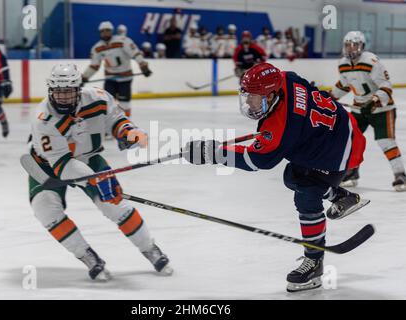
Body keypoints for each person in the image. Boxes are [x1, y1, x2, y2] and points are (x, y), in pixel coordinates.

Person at [182, 62, 367, 292]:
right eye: (247, 95)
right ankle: (341, 196)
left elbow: (256, 160)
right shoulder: (285, 78)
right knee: (292, 177)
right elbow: (307, 88)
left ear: (271, 95)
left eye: (255, 97)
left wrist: (213, 153)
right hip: (336, 127)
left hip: (339, 149)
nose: (249, 102)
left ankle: (314, 260)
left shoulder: (282, 126)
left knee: (307, 194)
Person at [28, 63, 173, 280]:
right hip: (47, 164)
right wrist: (95, 180)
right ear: (51, 90)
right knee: (45, 209)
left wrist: (129, 132)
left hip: (89, 158)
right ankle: (88, 257)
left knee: (116, 206)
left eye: (68, 92)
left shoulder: (98, 97)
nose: (63, 98)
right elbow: (63, 165)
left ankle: (150, 249)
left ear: (78, 89)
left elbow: (117, 120)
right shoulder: (44, 119)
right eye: (59, 92)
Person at [330, 31, 406, 191]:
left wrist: (374, 100)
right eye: (348, 45)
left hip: (382, 109)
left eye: (355, 45)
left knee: (386, 142)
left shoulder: (371, 61)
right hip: (359, 108)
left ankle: (400, 175)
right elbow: (344, 84)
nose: (351, 49)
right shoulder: (342, 63)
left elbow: (386, 86)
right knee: (350, 140)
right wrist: (328, 97)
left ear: (362, 46)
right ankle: (351, 173)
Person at [82, 21, 151, 117]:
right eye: (102, 31)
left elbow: (135, 53)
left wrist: (143, 66)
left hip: (125, 78)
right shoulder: (97, 48)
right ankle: (111, 124)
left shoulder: (123, 41)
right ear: (99, 32)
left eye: (107, 30)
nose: (105, 33)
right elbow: (94, 65)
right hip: (110, 79)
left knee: (124, 103)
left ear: (112, 31)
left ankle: (126, 122)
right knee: (108, 102)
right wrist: (84, 77)